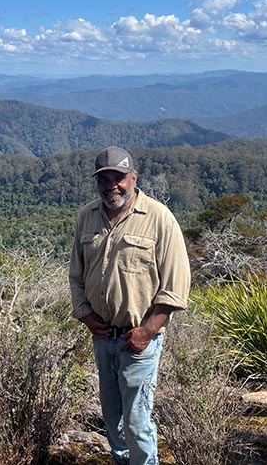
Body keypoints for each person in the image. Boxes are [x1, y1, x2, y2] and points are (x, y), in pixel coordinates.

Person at [69, 146, 191, 465]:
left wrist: (147, 332)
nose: (112, 185)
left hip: (139, 341)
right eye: (104, 179)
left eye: (119, 178)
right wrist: (85, 315)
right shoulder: (87, 217)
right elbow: (76, 275)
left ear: (133, 178)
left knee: (137, 422)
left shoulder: (159, 218)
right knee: (112, 418)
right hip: (102, 336)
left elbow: (176, 285)